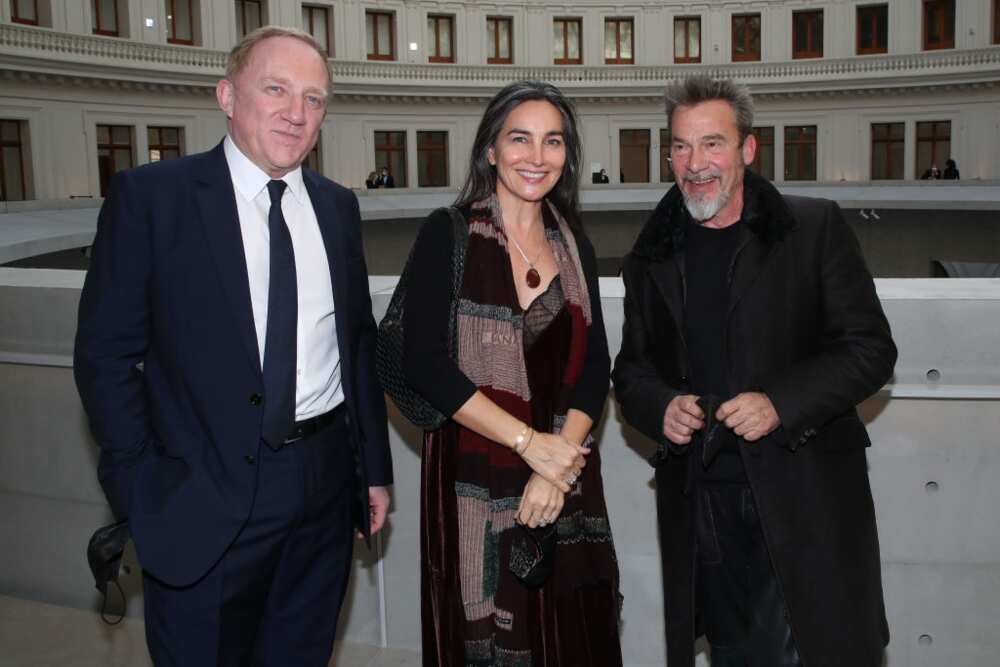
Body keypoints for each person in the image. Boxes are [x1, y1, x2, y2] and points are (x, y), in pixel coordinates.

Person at [74, 26, 393, 666]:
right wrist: (145, 486)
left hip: (323, 490)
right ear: (227, 95)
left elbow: (356, 346)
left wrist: (374, 471)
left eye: (314, 99)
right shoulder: (152, 198)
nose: (296, 114)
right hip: (200, 494)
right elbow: (104, 357)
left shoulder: (337, 207)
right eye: (276, 89)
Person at [612, 75, 896, 667]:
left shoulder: (814, 228)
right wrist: (660, 405)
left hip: (806, 498)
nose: (695, 164)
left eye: (712, 144)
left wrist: (779, 403)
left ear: (747, 149)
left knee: (829, 649)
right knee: (740, 655)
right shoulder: (650, 254)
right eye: (681, 147)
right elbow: (631, 370)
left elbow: (870, 348)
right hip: (705, 509)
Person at [402, 80, 623, 665]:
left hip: (564, 480)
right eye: (519, 139)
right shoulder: (446, 235)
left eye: (553, 142)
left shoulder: (576, 245)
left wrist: (553, 469)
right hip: (475, 476)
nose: (536, 156)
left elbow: (595, 365)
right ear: (491, 151)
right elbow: (424, 363)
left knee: (572, 638)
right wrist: (529, 446)